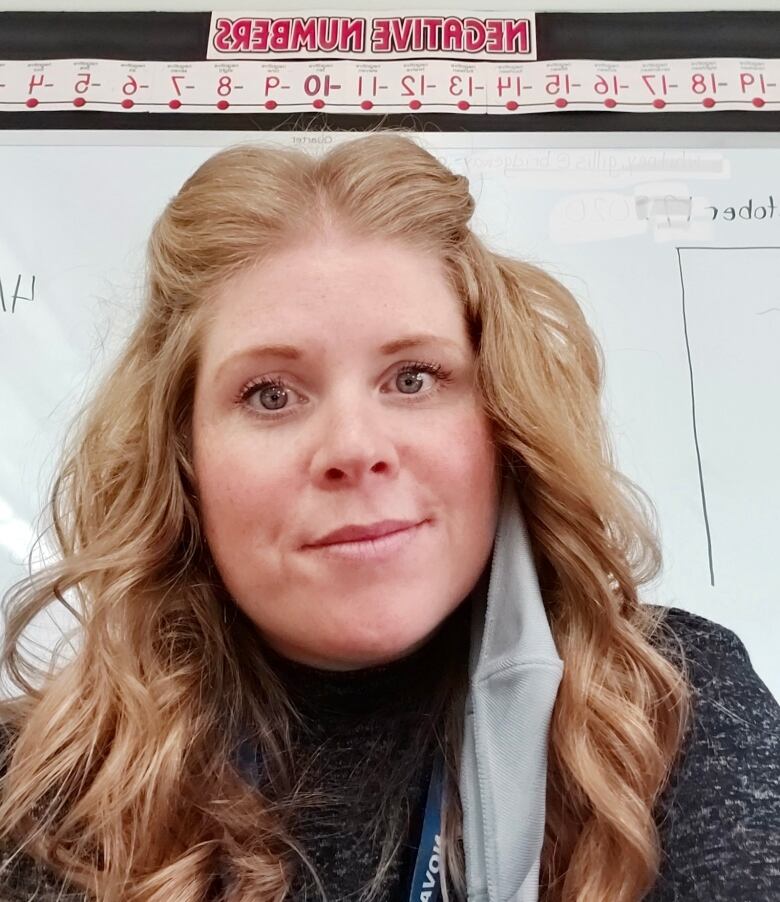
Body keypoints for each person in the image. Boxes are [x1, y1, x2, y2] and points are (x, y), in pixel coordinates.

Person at [0, 130, 777, 902]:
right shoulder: (41, 784)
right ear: (183, 457)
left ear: (503, 420)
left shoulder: (669, 703)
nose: (353, 446)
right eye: (271, 394)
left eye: (413, 377)